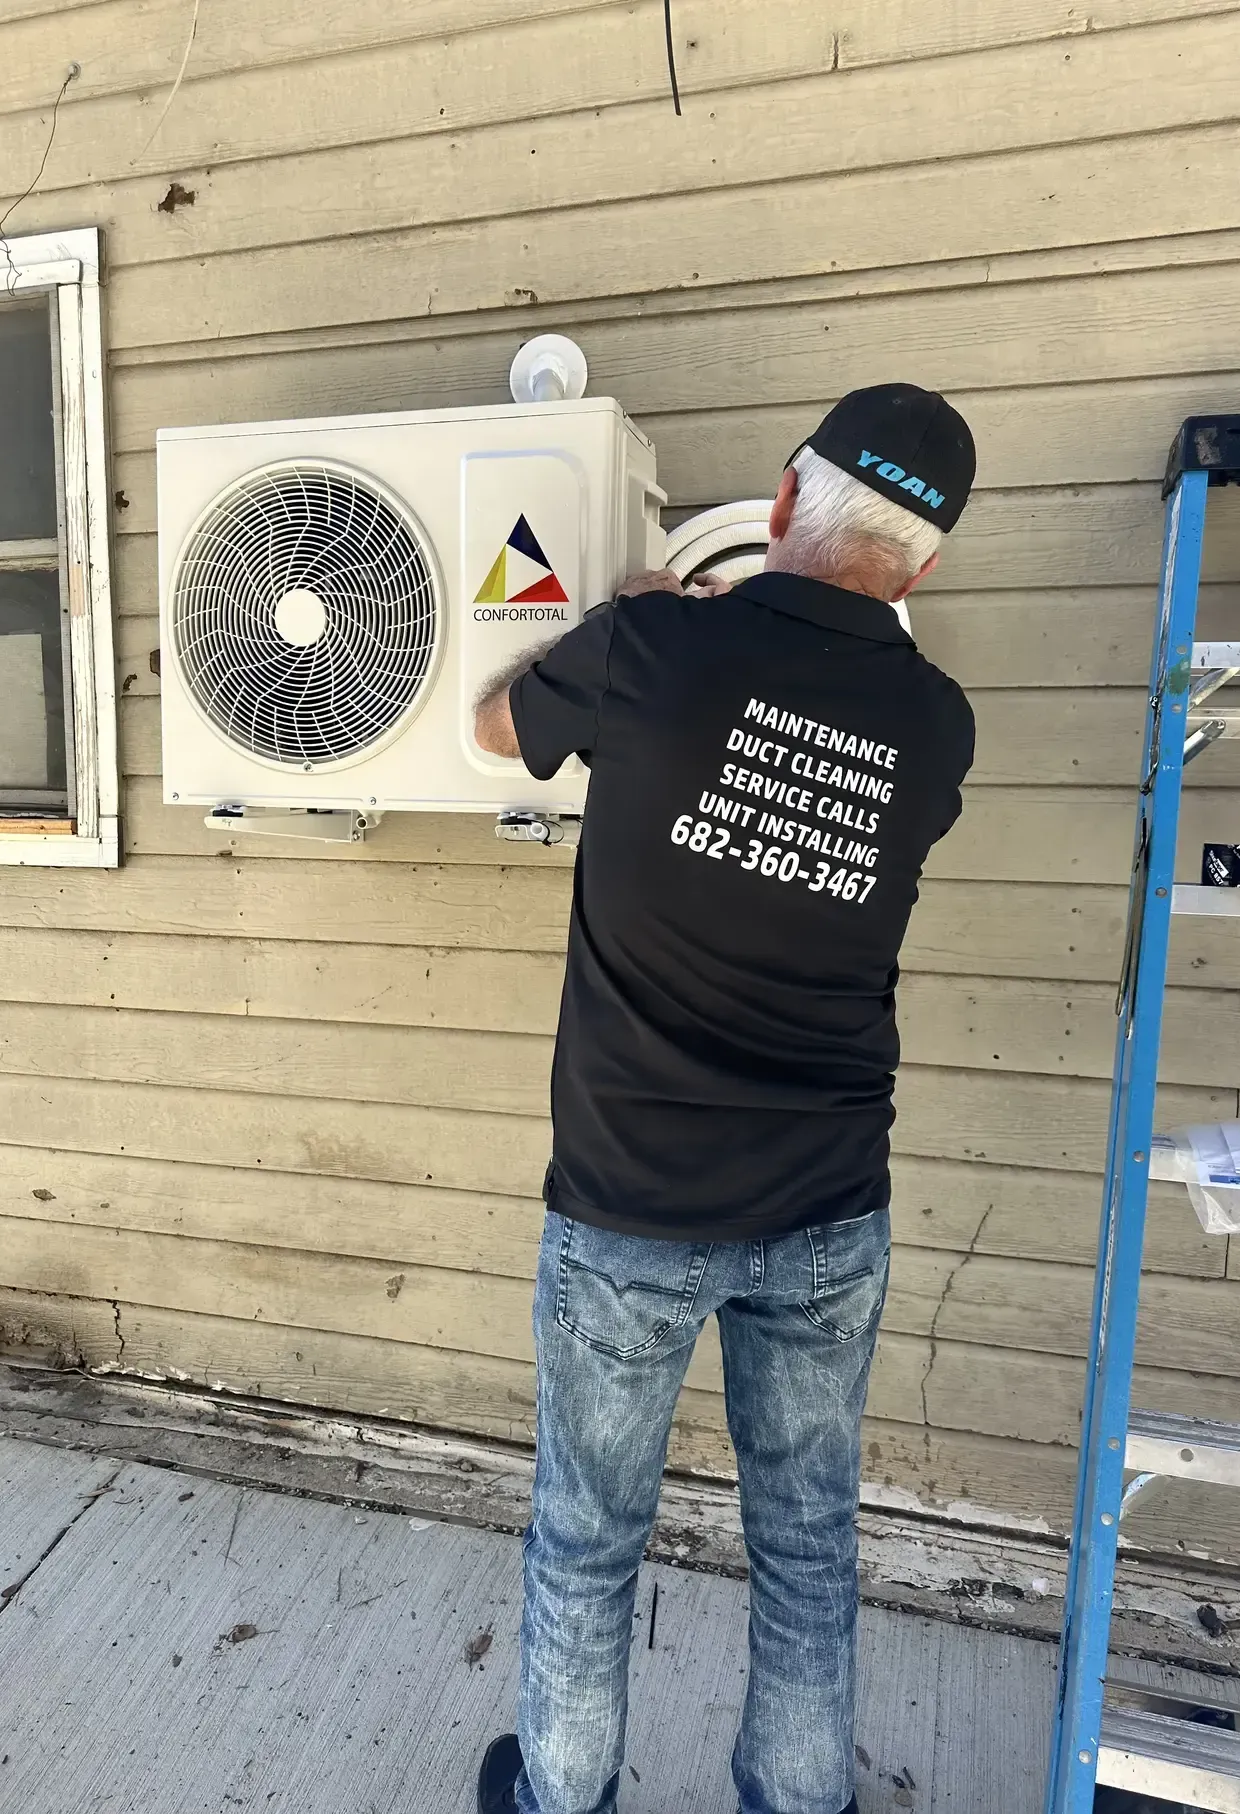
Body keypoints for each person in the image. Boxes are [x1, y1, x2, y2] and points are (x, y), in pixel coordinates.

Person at [473, 384, 977, 1814]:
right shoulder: (937, 728)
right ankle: (801, 1798)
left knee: (587, 1533)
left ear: (776, 501)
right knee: (809, 1541)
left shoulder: (650, 645)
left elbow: (508, 734)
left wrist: (624, 612)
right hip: (826, 1205)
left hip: (630, 1202)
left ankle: (561, 1792)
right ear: (922, 566)